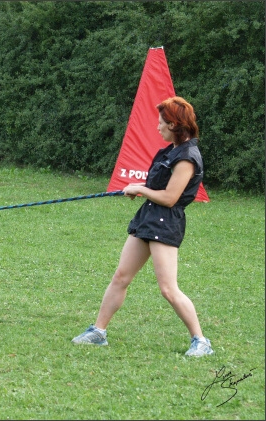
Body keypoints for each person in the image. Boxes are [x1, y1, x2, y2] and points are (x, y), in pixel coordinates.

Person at [71, 96, 214, 357]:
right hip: (148, 217)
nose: (157, 127)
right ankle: (98, 332)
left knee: (168, 289)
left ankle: (201, 341)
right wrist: (141, 192)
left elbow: (171, 198)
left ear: (173, 124)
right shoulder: (169, 151)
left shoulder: (187, 158)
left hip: (166, 222)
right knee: (121, 276)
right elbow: (157, 189)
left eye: (161, 123)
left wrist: (141, 189)